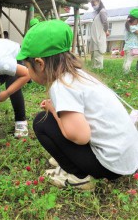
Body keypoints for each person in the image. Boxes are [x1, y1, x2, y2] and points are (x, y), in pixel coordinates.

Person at [17, 20, 138, 191]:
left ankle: (78, 176)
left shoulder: (62, 86)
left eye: (27, 66)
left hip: (110, 167)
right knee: (52, 119)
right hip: (127, 157)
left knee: (41, 122)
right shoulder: (79, 76)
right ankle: (74, 161)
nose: (27, 72)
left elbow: (80, 136)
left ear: (39, 63)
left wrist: (53, 111)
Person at [90, 0, 110, 69]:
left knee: (98, 54)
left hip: (99, 36)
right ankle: (94, 69)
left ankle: (98, 70)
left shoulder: (102, 11)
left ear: (99, 2)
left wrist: (106, 30)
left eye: (94, 4)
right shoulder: (97, 13)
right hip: (95, 36)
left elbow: (105, 23)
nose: (93, 6)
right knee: (94, 54)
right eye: (92, 5)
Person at [122, 8, 138, 73]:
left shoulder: (128, 26)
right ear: (135, 20)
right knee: (129, 60)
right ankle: (126, 72)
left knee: (126, 60)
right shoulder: (133, 27)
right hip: (131, 47)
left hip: (127, 47)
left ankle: (124, 71)